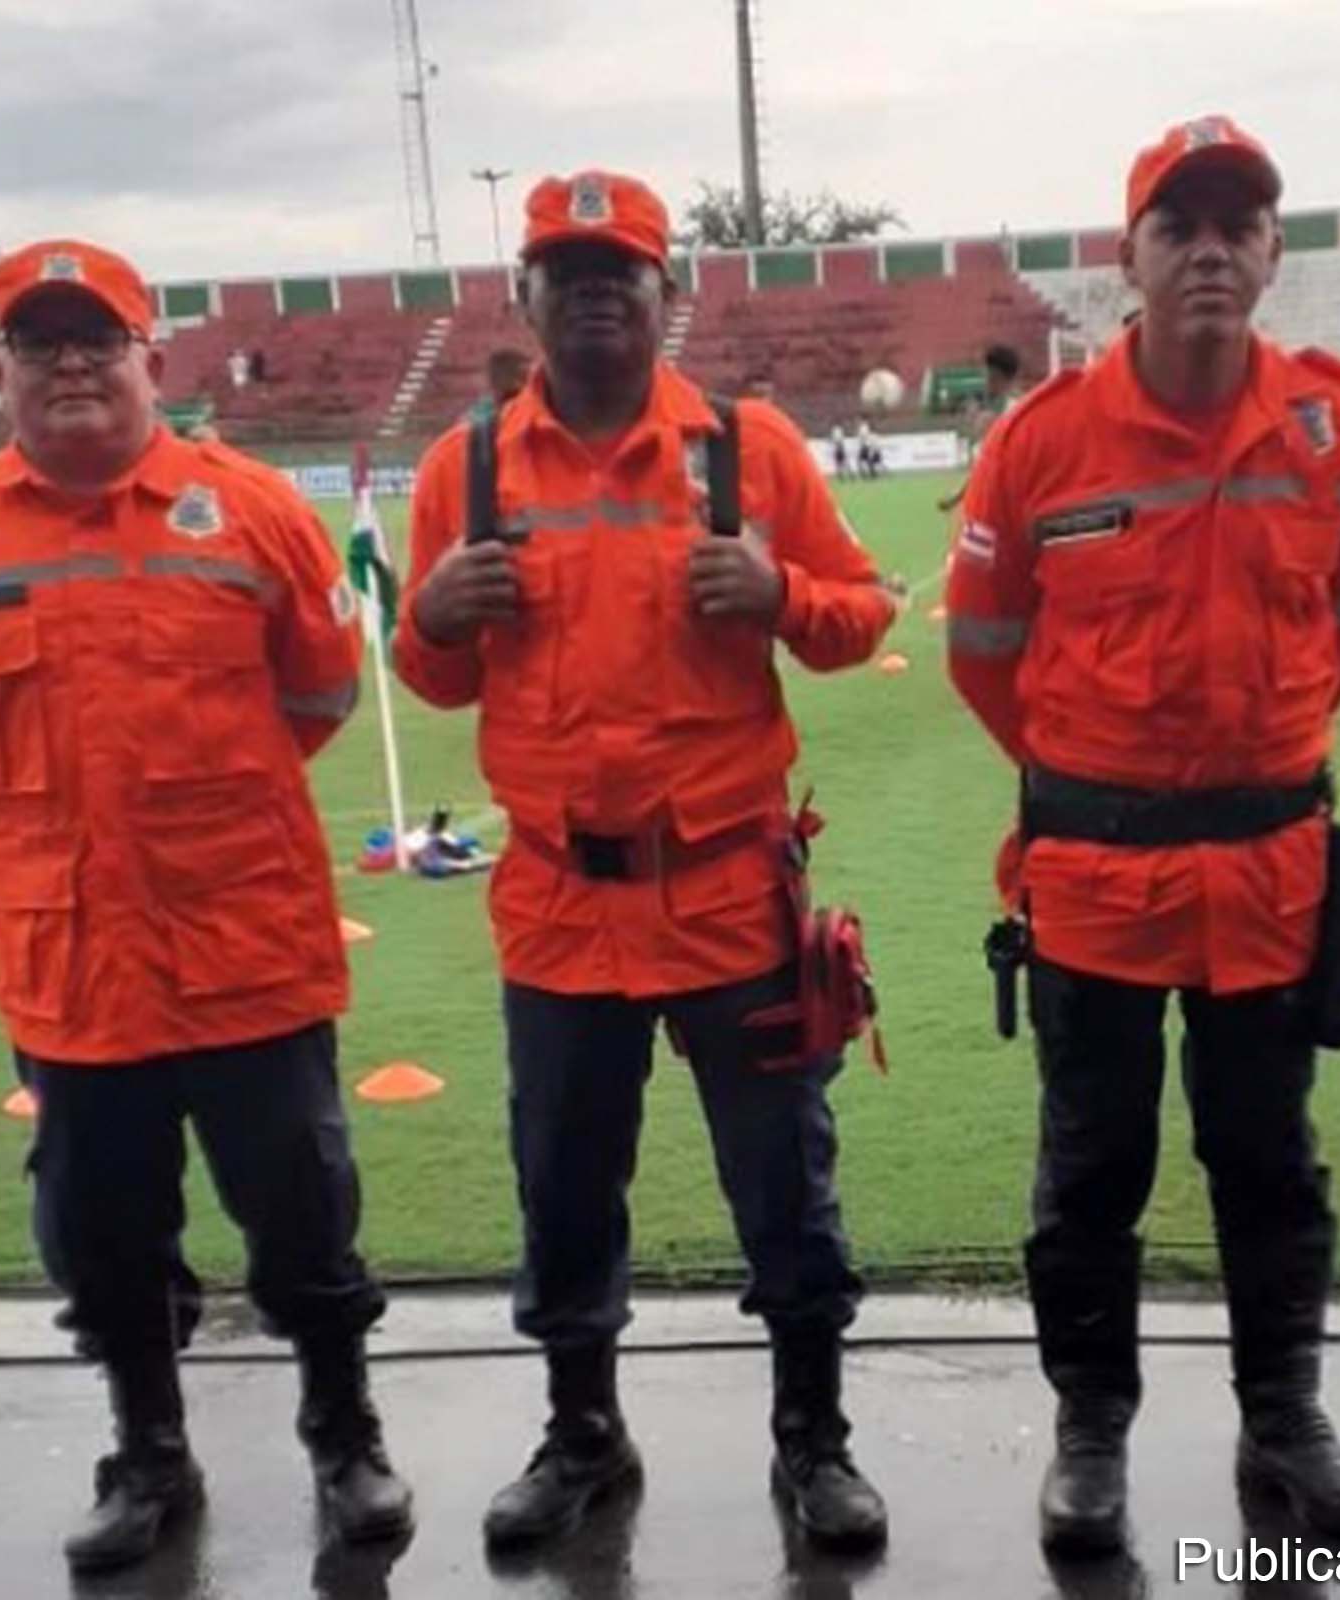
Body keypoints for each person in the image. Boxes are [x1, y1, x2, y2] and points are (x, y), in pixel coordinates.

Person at [0, 239, 412, 1573]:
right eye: (40, 343)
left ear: (149, 361)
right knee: (102, 1236)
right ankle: (150, 1455)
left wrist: (196, 820)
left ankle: (343, 1438)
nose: (70, 363)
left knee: (302, 1216)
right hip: (70, 963)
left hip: (246, 944)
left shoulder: (252, 511)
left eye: (96, 339)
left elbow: (320, 693)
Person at [393, 171, 898, 1554]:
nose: (598, 290)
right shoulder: (471, 469)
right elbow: (428, 680)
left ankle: (816, 1446)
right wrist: (430, 617)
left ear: (670, 295)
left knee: (785, 1193)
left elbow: (864, 613)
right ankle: (581, 1441)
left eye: (624, 268)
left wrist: (783, 595)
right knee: (562, 1194)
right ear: (527, 297)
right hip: (558, 905)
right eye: (568, 268)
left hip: (732, 897)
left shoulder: (751, 450)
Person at [946, 114, 1340, 1559]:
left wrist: (1241, 767)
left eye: (1237, 225)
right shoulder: (1041, 443)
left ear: (1271, 250)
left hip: (1270, 876)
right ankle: (1090, 1430)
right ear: (1127, 256)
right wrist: (1107, 780)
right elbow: (984, 651)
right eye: (1177, 227)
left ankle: (1287, 1418)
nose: (1209, 251)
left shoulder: (1333, 420)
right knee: (1093, 1168)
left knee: (1269, 1160)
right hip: (1095, 882)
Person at [943, 343, 1028, 508]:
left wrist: (957, 497)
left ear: (995, 376)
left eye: (987, 375)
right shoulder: (1018, 407)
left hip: (1007, 504)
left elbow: (986, 466)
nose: (985, 381)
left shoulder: (1008, 415)